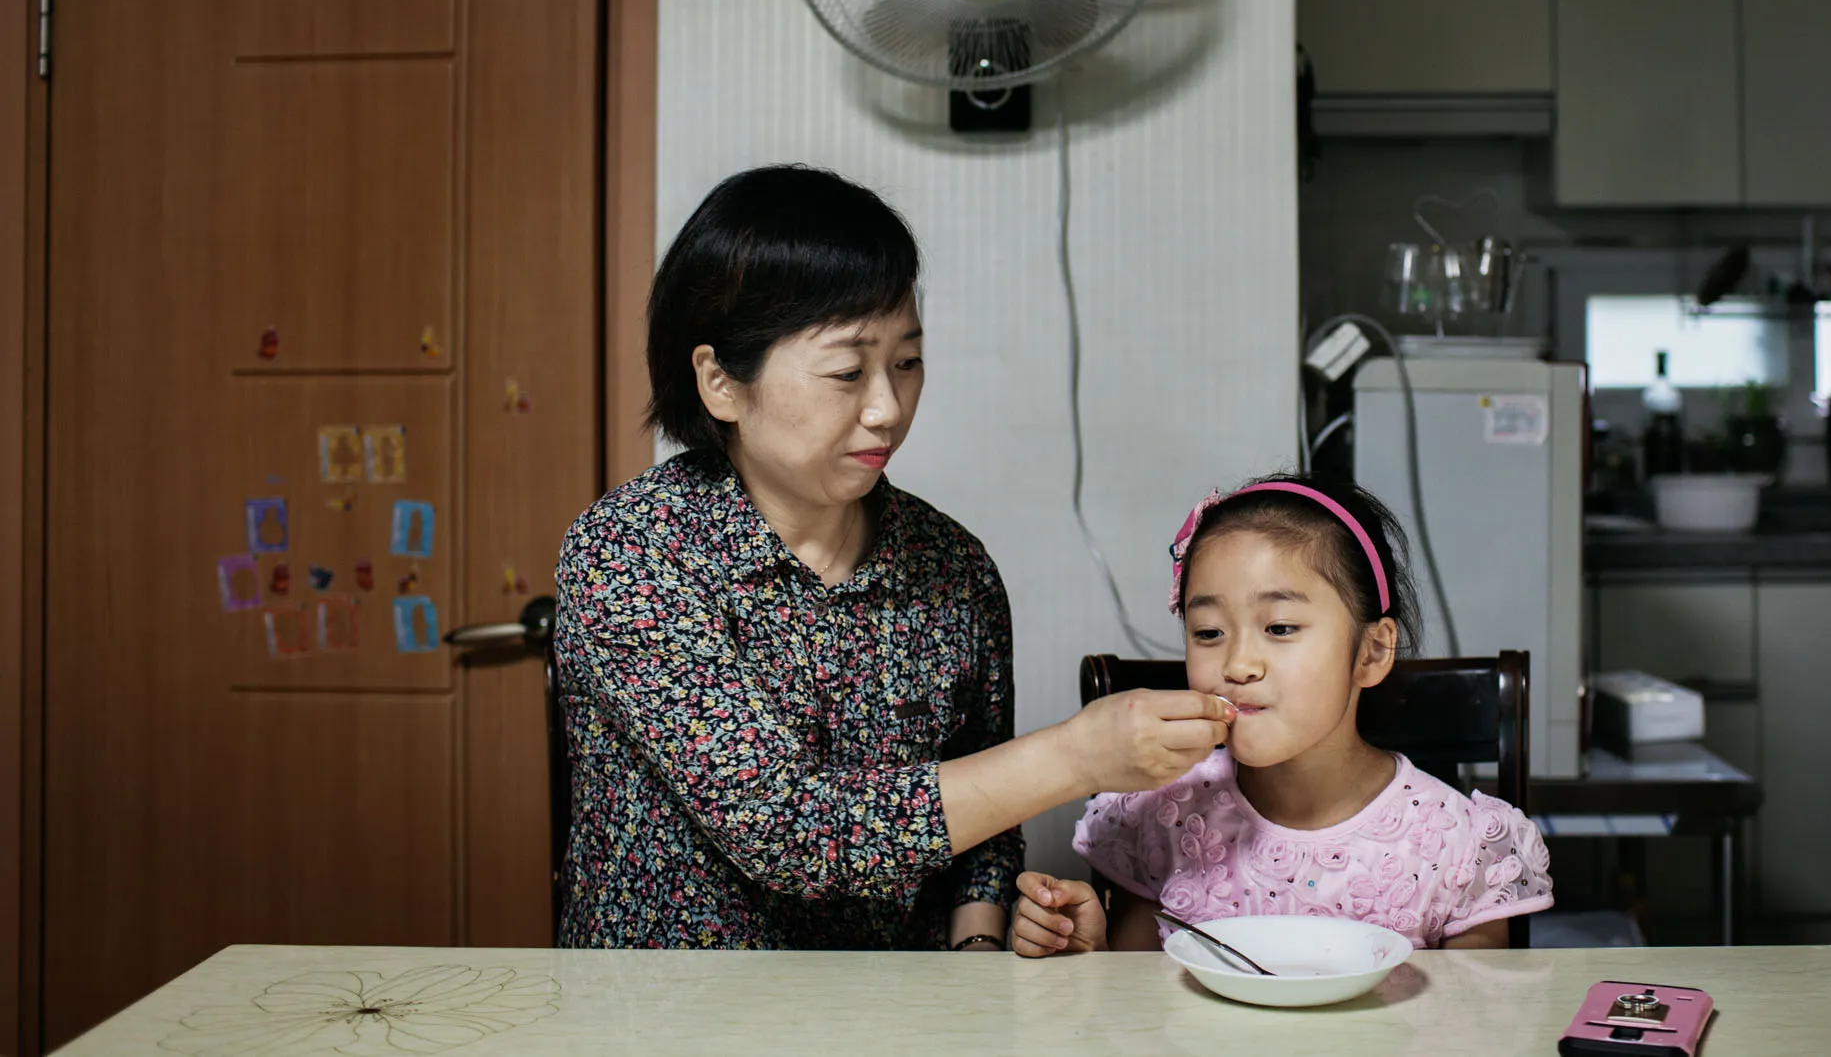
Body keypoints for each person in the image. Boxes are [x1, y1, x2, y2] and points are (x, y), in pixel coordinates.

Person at [556, 165, 1234, 951]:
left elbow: (986, 814)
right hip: (669, 1002)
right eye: (848, 371)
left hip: (910, 1000)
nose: (887, 407)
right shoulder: (631, 551)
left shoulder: (954, 567)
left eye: (906, 362)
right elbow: (785, 829)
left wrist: (978, 946)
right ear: (720, 382)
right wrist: (1075, 755)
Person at [1012, 473, 1553, 955]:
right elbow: (1139, 999)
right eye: (1208, 633)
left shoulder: (1460, 847)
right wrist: (1090, 953)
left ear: (1371, 652)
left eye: (1279, 628)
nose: (1238, 665)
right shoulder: (1164, 814)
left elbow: (1479, 1018)